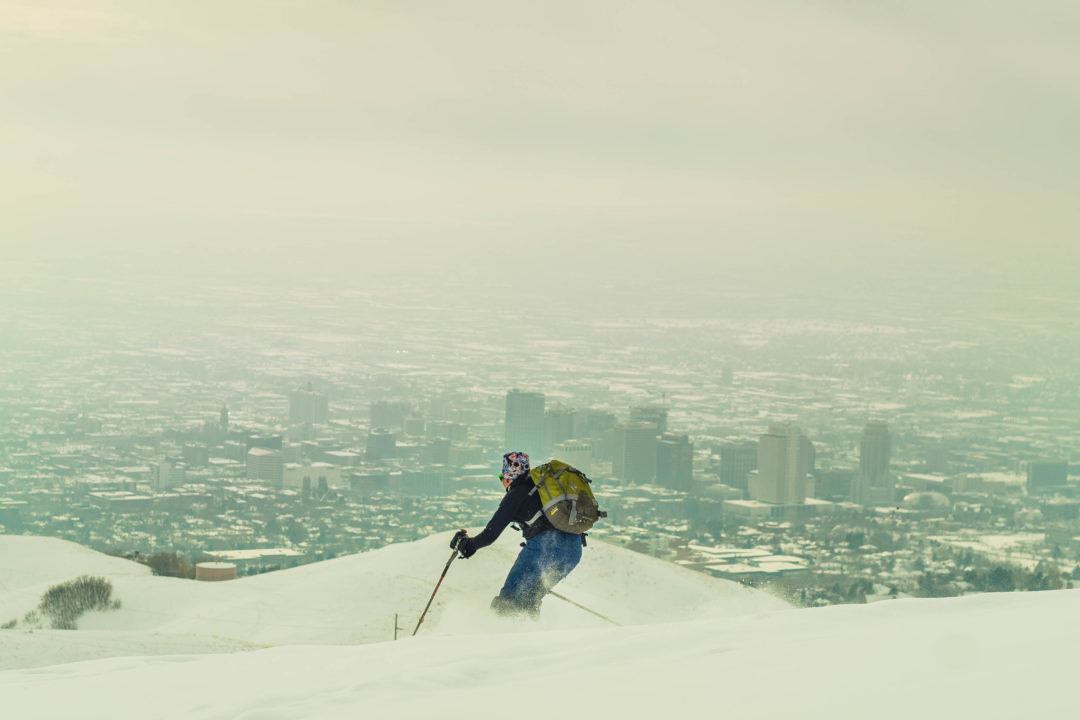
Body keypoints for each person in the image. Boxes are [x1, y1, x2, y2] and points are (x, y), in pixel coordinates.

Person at [450, 451, 583, 617]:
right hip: (573, 551)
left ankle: (500, 636)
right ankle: (534, 636)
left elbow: (490, 534)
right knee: (531, 599)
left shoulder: (516, 494)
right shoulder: (544, 489)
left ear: (508, 477)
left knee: (508, 599)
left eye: (501, 477)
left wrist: (467, 545)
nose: (501, 482)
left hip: (545, 549)